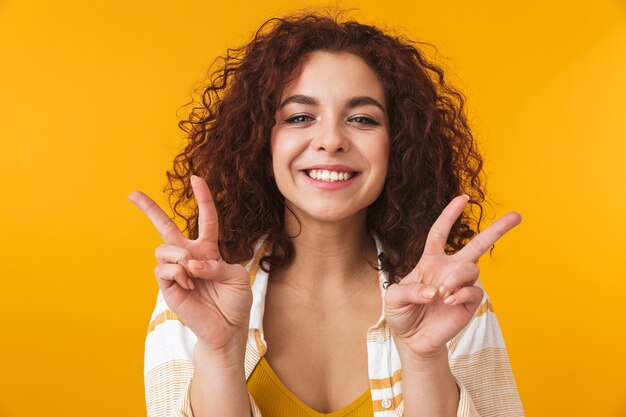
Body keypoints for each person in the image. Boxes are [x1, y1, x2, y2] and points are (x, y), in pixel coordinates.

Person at [129, 11, 524, 417]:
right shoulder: (196, 297)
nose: (331, 140)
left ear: (399, 146)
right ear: (261, 142)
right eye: (300, 117)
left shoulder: (449, 299)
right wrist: (219, 352)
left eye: (362, 119)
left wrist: (424, 360)